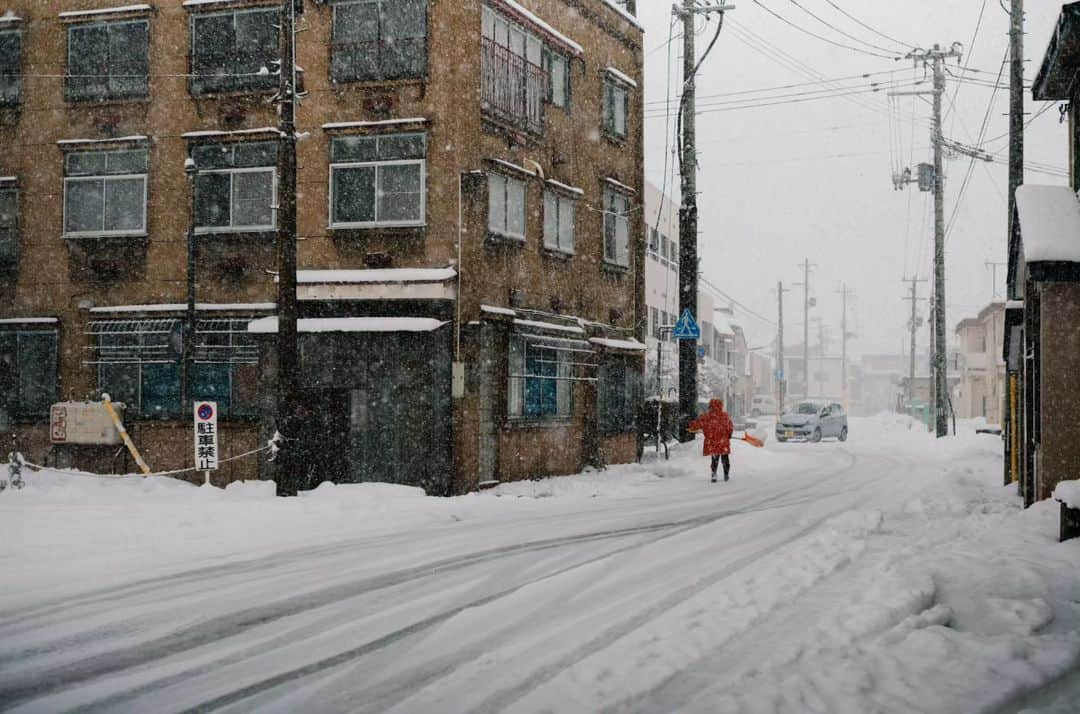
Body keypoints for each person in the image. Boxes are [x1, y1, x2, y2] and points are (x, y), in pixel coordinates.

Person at [688, 398, 734, 483]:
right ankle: (726, 474)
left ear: (710, 406)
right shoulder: (725, 416)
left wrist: (690, 426)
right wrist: (729, 434)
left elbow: (698, 423)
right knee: (725, 459)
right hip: (723, 442)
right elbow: (730, 426)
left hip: (713, 442)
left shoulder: (707, 416)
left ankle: (714, 474)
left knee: (714, 459)